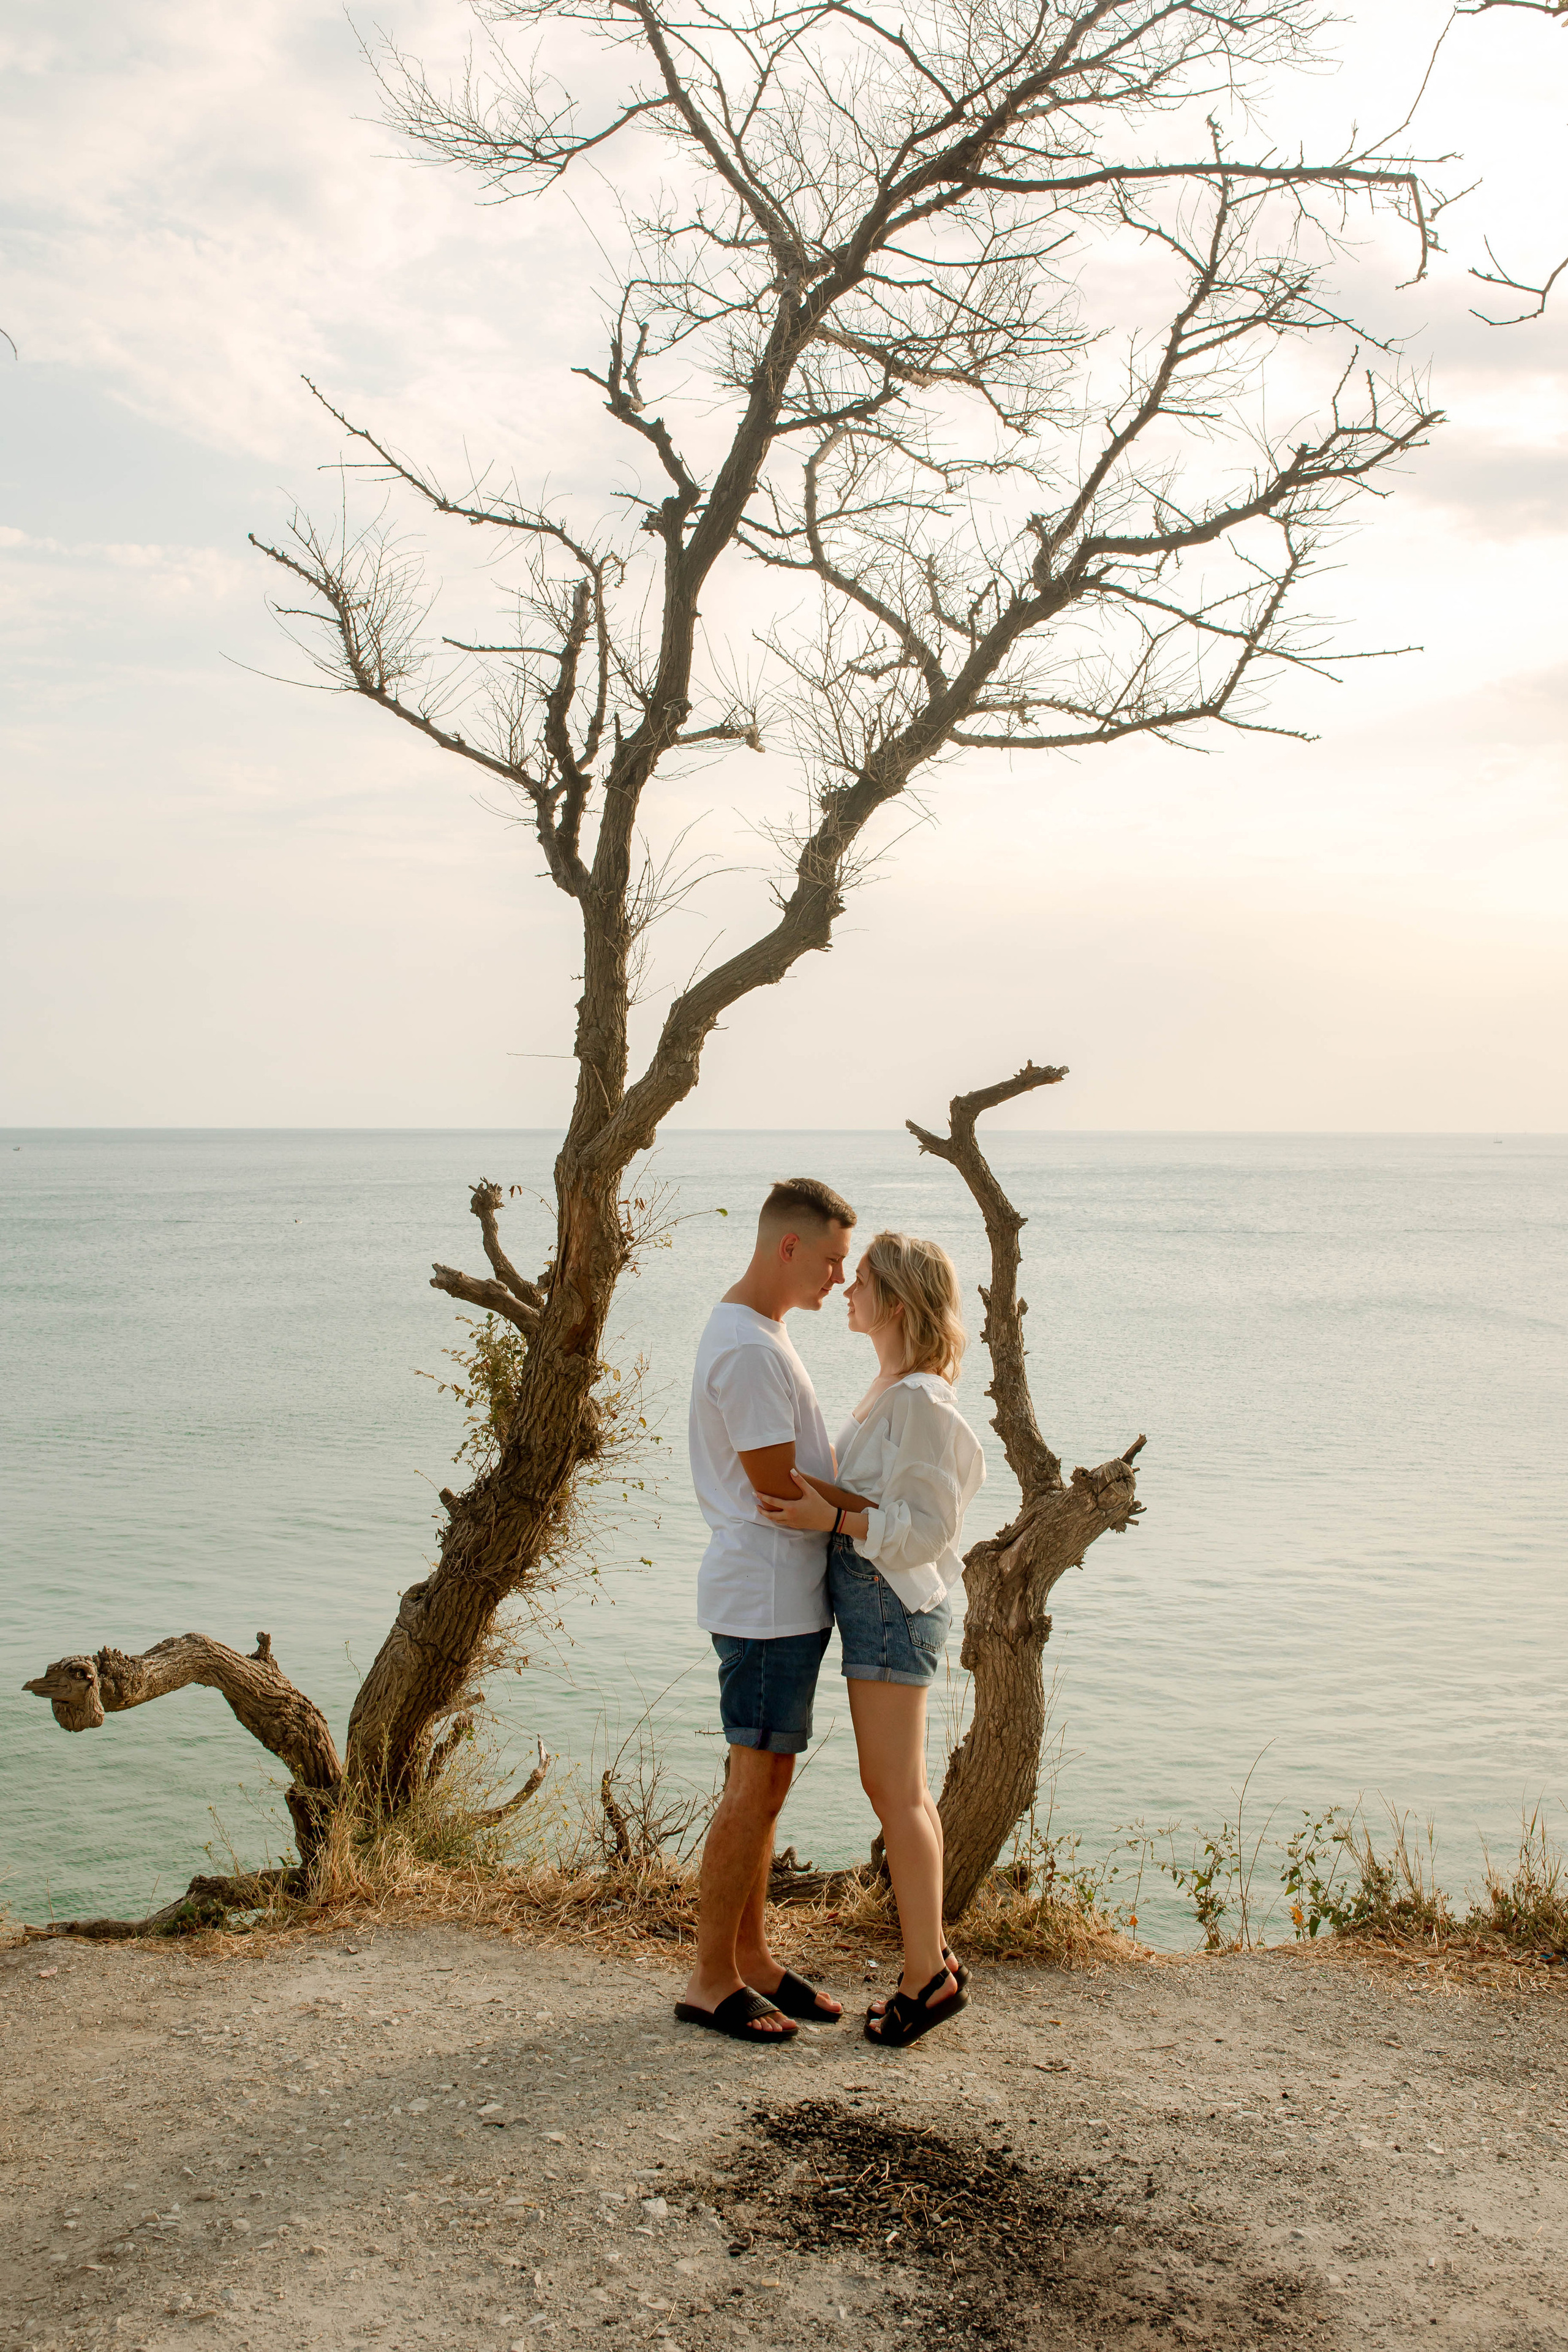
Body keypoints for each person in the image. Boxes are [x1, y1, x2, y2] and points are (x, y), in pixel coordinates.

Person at [757, 1231, 984, 2048]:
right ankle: (933, 1962)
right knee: (903, 1792)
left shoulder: (919, 1398)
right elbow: (869, 1493)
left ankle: (927, 1974)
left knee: (897, 1793)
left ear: (894, 1299)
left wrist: (834, 1517)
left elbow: (928, 1528)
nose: (845, 1291)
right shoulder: (893, 1388)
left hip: (892, 1601)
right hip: (879, 1599)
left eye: (859, 1281)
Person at [675, 1176, 858, 2044]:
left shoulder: (760, 1332)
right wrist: (876, 1511)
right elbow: (776, 1483)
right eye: (829, 1260)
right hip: (765, 1596)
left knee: (768, 1786)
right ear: (788, 1247)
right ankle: (710, 1980)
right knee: (752, 1790)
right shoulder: (749, 1348)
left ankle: (752, 1959)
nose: (837, 1277)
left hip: (782, 1594)